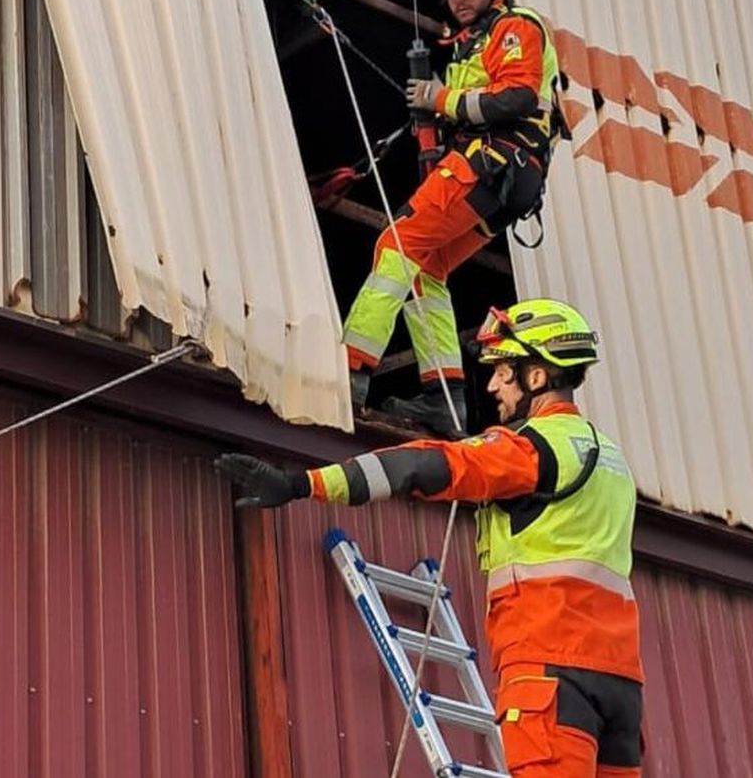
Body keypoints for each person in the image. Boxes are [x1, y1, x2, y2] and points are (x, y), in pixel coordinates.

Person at [219, 298, 643, 777]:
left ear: (538, 376)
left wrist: (304, 484)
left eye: (503, 372)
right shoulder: (612, 460)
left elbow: (420, 466)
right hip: (620, 684)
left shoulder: (530, 450)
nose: (492, 385)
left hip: (549, 670)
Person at [343, 0, 565, 438]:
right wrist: (438, 117)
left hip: (491, 165)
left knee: (396, 244)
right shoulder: (471, 46)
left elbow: (516, 98)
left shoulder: (515, 27)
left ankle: (352, 370)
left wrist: (440, 100)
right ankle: (444, 399)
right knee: (428, 269)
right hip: (504, 180)